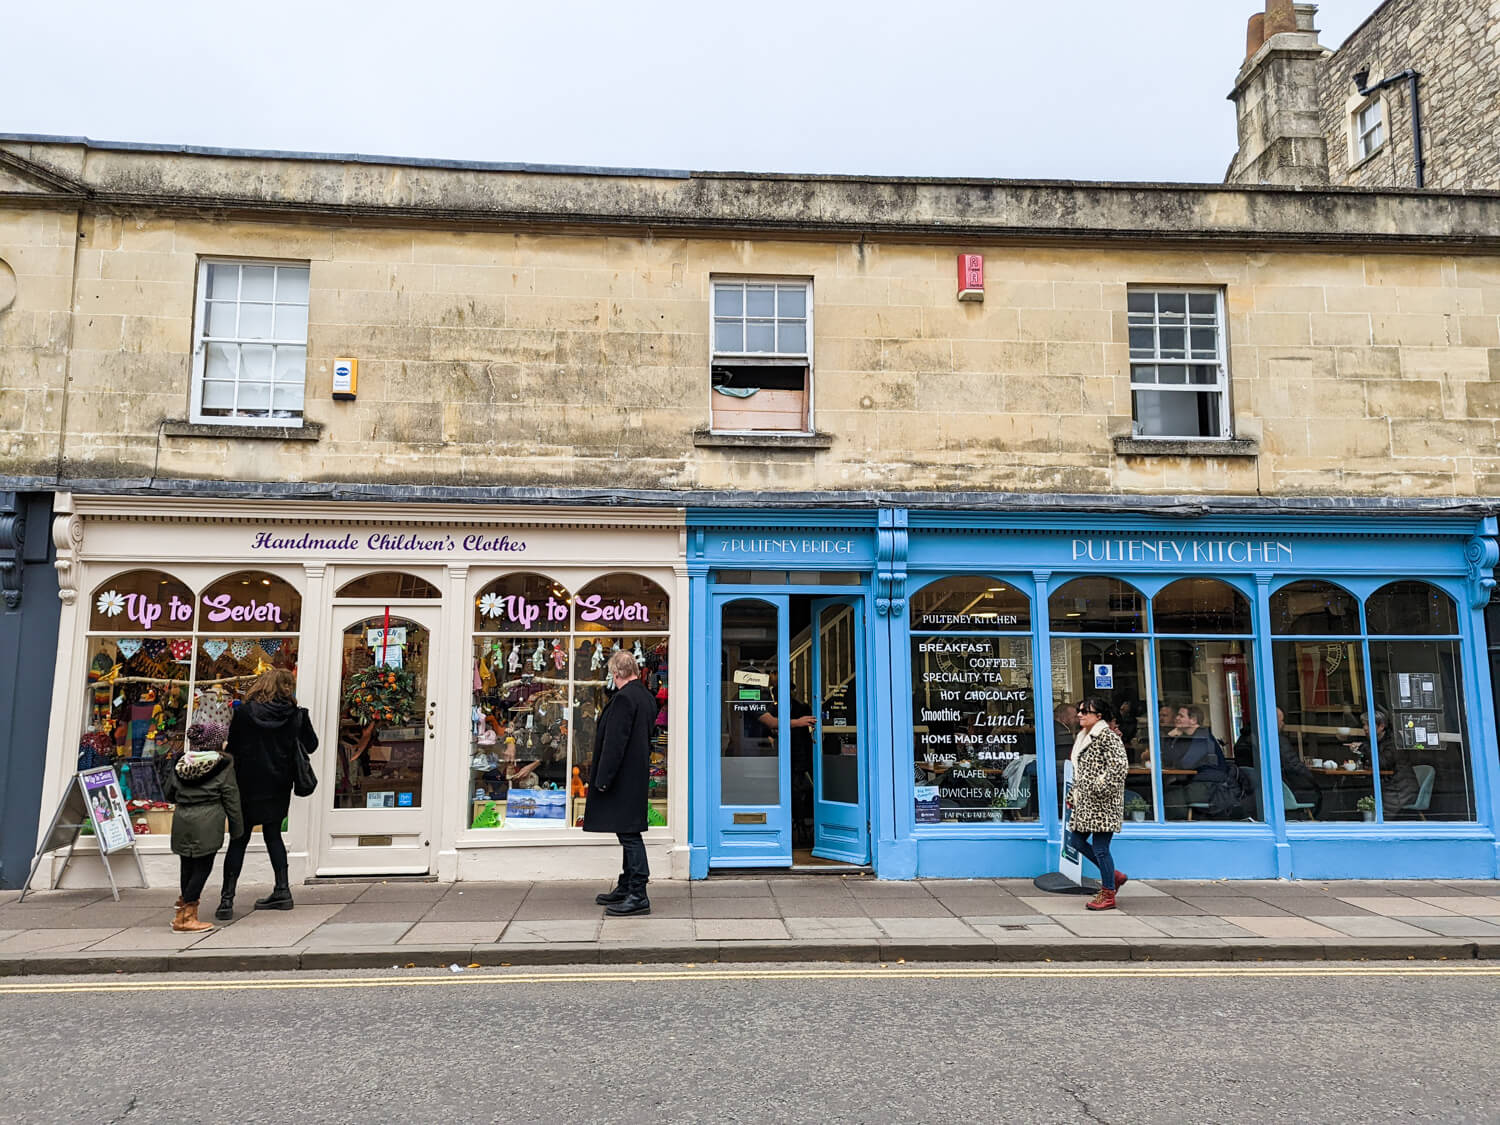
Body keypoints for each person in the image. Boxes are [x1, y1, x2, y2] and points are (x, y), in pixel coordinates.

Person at [221, 667, 317, 918]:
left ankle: (226, 900)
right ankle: (282, 890)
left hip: (246, 783)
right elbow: (312, 745)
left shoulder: (243, 712)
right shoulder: (295, 715)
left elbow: (232, 748)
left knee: (239, 839)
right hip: (278, 782)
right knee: (273, 835)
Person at [584, 650, 659, 916]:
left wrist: (602, 779)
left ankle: (638, 893)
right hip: (635, 775)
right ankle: (627, 885)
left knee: (629, 834)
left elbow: (615, 744)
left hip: (623, 777)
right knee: (627, 831)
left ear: (616, 673)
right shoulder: (646, 697)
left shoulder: (624, 699)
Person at [157, 720, 244, 933]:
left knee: (186, 865)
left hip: (182, 819)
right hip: (208, 819)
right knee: (203, 867)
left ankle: (185, 911)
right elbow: (231, 798)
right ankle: (185, 916)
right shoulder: (223, 765)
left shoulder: (181, 763)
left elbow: (169, 793)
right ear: (217, 742)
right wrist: (237, 829)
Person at [1066, 696, 1130, 911]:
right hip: (1086, 803)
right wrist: (1073, 795)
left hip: (1103, 804)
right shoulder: (1083, 736)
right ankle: (1114, 876)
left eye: (1086, 711)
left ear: (1099, 716)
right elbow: (1081, 771)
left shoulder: (1107, 737)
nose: (1080, 714)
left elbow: (1119, 767)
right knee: (1076, 841)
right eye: (1079, 710)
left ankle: (1108, 893)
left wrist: (1097, 788)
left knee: (1101, 849)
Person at [759, 674, 817, 847]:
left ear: (793, 691)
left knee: (798, 789)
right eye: (776, 692)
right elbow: (769, 728)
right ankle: (796, 825)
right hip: (784, 755)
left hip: (800, 754)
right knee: (790, 790)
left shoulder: (802, 707)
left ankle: (800, 825)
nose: (779, 695)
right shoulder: (774, 711)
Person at [1276, 707, 1321, 816]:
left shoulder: (1246, 740)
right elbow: (1293, 765)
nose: (1283, 724)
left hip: (1274, 790)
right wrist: (1312, 779)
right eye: (1281, 721)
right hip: (1288, 791)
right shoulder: (1279, 742)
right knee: (1320, 794)